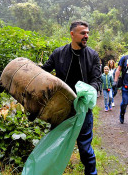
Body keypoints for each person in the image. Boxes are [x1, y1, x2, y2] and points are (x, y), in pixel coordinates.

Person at [41, 20, 100, 175]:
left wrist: (89, 93)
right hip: (61, 107)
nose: (86, 36)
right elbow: (43, 73)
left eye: (87, 33)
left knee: (85, 148)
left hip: (83, 108)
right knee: (55, 144)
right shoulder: (58, 53)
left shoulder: (93, 55)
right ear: (72, 34)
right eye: (83, 33)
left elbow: (96, 80)